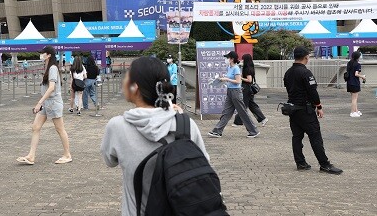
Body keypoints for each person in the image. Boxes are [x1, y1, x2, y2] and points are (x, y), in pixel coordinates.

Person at [101, 56, 208, 216]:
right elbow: (204, 164)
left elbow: (109, 161)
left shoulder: (117, 126)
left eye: (127, 77)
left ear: (134, 87)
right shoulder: (185, 124)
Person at [283, 46, 342, 174]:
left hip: (293, 110)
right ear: (306, 57)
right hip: (306, 110)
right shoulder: (306, 73)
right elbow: (312, 92)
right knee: (315, 137)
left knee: (297, 137)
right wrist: (319, 106)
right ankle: (324, 164)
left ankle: (300, 163)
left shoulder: (288, 72)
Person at [17, 46, 72, 165]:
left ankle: (67, 154)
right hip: (47, 103)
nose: (41, 55)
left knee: (60, 129)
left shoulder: (52, 68)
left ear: (49, 55)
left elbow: (52, 88)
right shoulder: (48, 67)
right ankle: (31, 156)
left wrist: (39, 102)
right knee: (35, 127)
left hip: (53, 102)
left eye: (43, 53)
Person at [208, 51, 259, 138]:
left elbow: (238, 81)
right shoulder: (229, 67)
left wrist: (227, 79)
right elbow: (230, 79)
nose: (226, 59)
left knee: (242, 112)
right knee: (226, 112)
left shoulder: (236, 68)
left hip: (236, 92)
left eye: (227, 58)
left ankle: (253, 131)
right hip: (230, 91)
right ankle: (217, 131)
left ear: (232, 59)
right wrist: (221, 79)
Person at [233, 54, 268, 127]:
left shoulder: (247, 69)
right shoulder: (250, 68)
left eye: (243, 59)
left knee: (243, 105)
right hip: (248, 89)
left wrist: (240, 78)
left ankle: (238, 121)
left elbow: (249, 80)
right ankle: (262, 119)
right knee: (252, 105)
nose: (242, 61)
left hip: (246, 88)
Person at [346, 51, 365, 117]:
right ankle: (352, 112)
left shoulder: (349, 63)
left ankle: (356, 111)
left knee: (353, 98)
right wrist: (363, 76)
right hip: (355, 83)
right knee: (355, 99)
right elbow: (356, 74)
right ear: (358, 57)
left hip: (349, 83)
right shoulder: (357, 64)